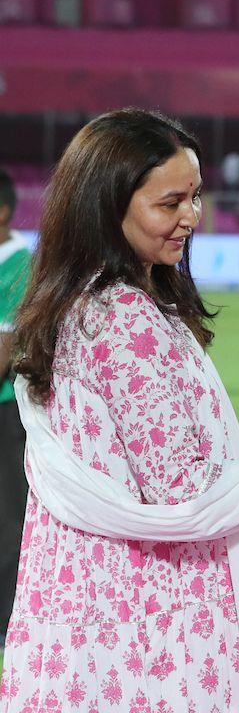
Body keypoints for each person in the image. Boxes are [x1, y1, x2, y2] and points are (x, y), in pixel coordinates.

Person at [0, 108, 239, 713]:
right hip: (151, 621)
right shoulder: (119, 317)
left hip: (92, 610)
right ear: (109, 206)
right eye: (170, 202)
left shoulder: (84, 301)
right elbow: (184, 488)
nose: (191, 217)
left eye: (197, 196)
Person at [0, 168, 31, 646]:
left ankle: (10, 626)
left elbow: (6, 350)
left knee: (8, 521)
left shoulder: (20, 264)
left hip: (6, 412)